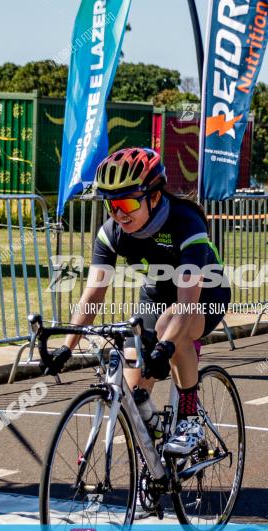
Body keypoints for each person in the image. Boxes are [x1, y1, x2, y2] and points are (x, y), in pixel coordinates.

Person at [44, 147, 230, 456]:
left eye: (127, 203)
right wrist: (67, 346)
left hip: (203, 296)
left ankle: (189, 419)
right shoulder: (112, 233)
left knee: (170, 326)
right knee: (130, 396)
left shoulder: (185, 222)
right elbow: (93, 295)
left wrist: (165, 347)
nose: (118, 213)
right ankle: (153, 470)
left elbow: (186, 304)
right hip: (156, 296)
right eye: (111, 205)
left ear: (155, 196)